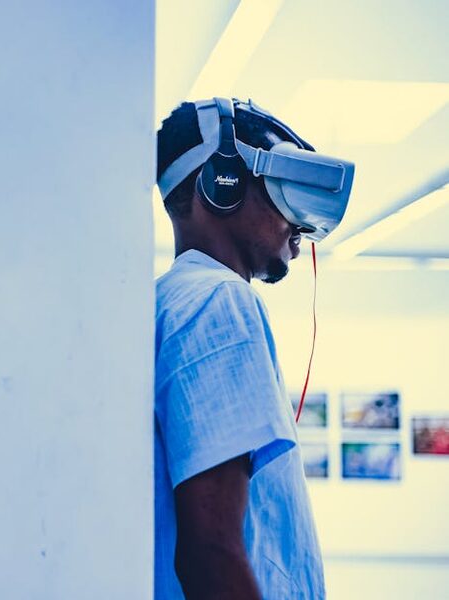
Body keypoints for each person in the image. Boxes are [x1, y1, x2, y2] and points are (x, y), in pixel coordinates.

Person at [154, 98, 353, 599]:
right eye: (285, 192)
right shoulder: (218, 300)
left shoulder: (169, 300)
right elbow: (210, 552)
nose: (302, 231)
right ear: (224, 183)